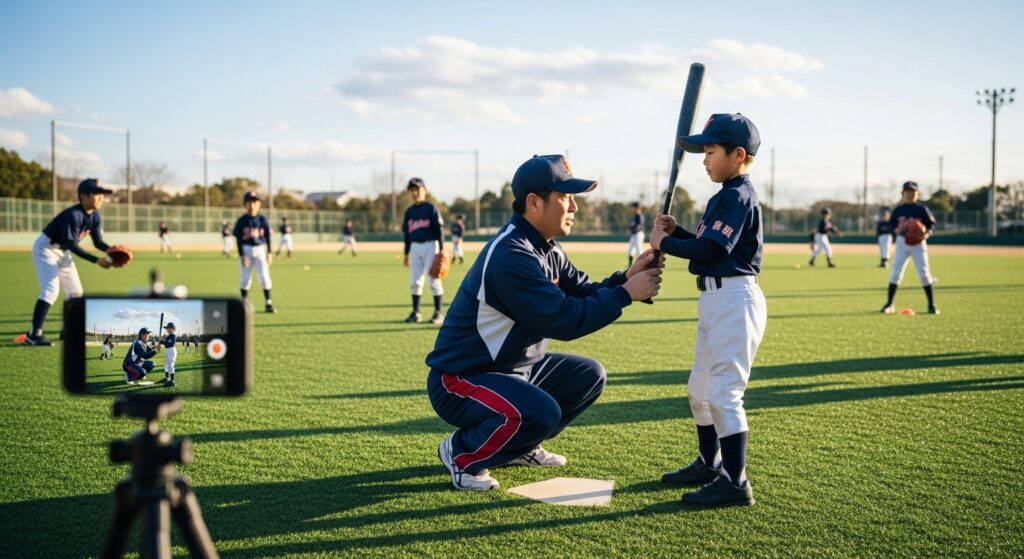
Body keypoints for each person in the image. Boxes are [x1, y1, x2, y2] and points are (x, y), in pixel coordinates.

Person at [426, 154, 663, 491]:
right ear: (534, 203)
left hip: (513, 370)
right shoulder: (511, 254)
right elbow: (563, 320)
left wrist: (626, 276)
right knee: (540, 412)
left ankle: (517, 447)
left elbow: (581, 291)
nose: (574, 207)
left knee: (589, 375)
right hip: (463, 378)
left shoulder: (547, 248)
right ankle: (462, 453)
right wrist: (625, 294)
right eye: (565, 198)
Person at [649, 113, 767, 507]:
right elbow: (704, 243)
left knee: (722, 394)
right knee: (699, 391)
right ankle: (710, 462)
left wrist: (664, 244)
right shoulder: (725, 195)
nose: (704, 159)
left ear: (738, 155)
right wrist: (676, 232)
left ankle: (736, 483)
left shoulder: (738, 196)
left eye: (711, 151)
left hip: (735, 299)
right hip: (717, 300)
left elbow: (713, 250)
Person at [16, 178, 118, 346]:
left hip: (62, 251)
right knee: (50, 290)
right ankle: (33, 335)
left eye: (103, 195)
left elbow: (98, 242)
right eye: (97, 194)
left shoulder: (95, 216)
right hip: (46, 248)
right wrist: (97, 260)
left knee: (76, 293)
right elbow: (71, 243)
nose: (101, 198)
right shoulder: (74, 215)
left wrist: (112, 251)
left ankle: (68, 330)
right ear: (83, 196)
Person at [880, 181, 939, 314]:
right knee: (895, 273)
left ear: (918, 194)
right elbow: (890, 225)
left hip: (919, 243)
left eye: (913, 192)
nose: (910, 194)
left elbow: (931, 225)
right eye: (907, 192)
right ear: (902, 194)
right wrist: (896, 230)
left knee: (924, 274)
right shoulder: (898, 210)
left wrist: (927, 233)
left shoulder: (922, 210)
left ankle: (931, 305)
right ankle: (889, 304)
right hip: (902, 241)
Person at [402, 178, 445, 324]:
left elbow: (440, 230)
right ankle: (416, 313)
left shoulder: (431, 208)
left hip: (430, 246)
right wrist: (406, 254)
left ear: (425, 191)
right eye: (412, 190)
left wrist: (442, 250)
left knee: (433, 279)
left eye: (417, 189)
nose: (414, 193)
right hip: (415, 247)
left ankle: (438, 313)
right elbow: (407, 235)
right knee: (415, 282)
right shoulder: (409, 212)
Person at [233, 191, 276, 313]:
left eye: (255, 201)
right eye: (249, 202)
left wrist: (270, 253)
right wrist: (242, 255)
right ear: (245, 205)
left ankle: (268, 303)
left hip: (260, 249)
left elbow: (268, 237)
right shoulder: (242, 220)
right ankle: (243, 303)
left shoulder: (263, 219)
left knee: (264, 277)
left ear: (259, 204)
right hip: (246, 250)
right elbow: (239, 239)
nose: (252, 204)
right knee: (245, 279)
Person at [627, 202, 645, 267]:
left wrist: (633, 230)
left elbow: (639, 226)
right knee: (630, 250)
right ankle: (629, 266)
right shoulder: (635, 216)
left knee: (639, 251)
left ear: (637, 208)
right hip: (634, 235)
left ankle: (643, 265)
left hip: (638, 234)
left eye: (633, 207)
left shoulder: (639, 216)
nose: (632, 209)